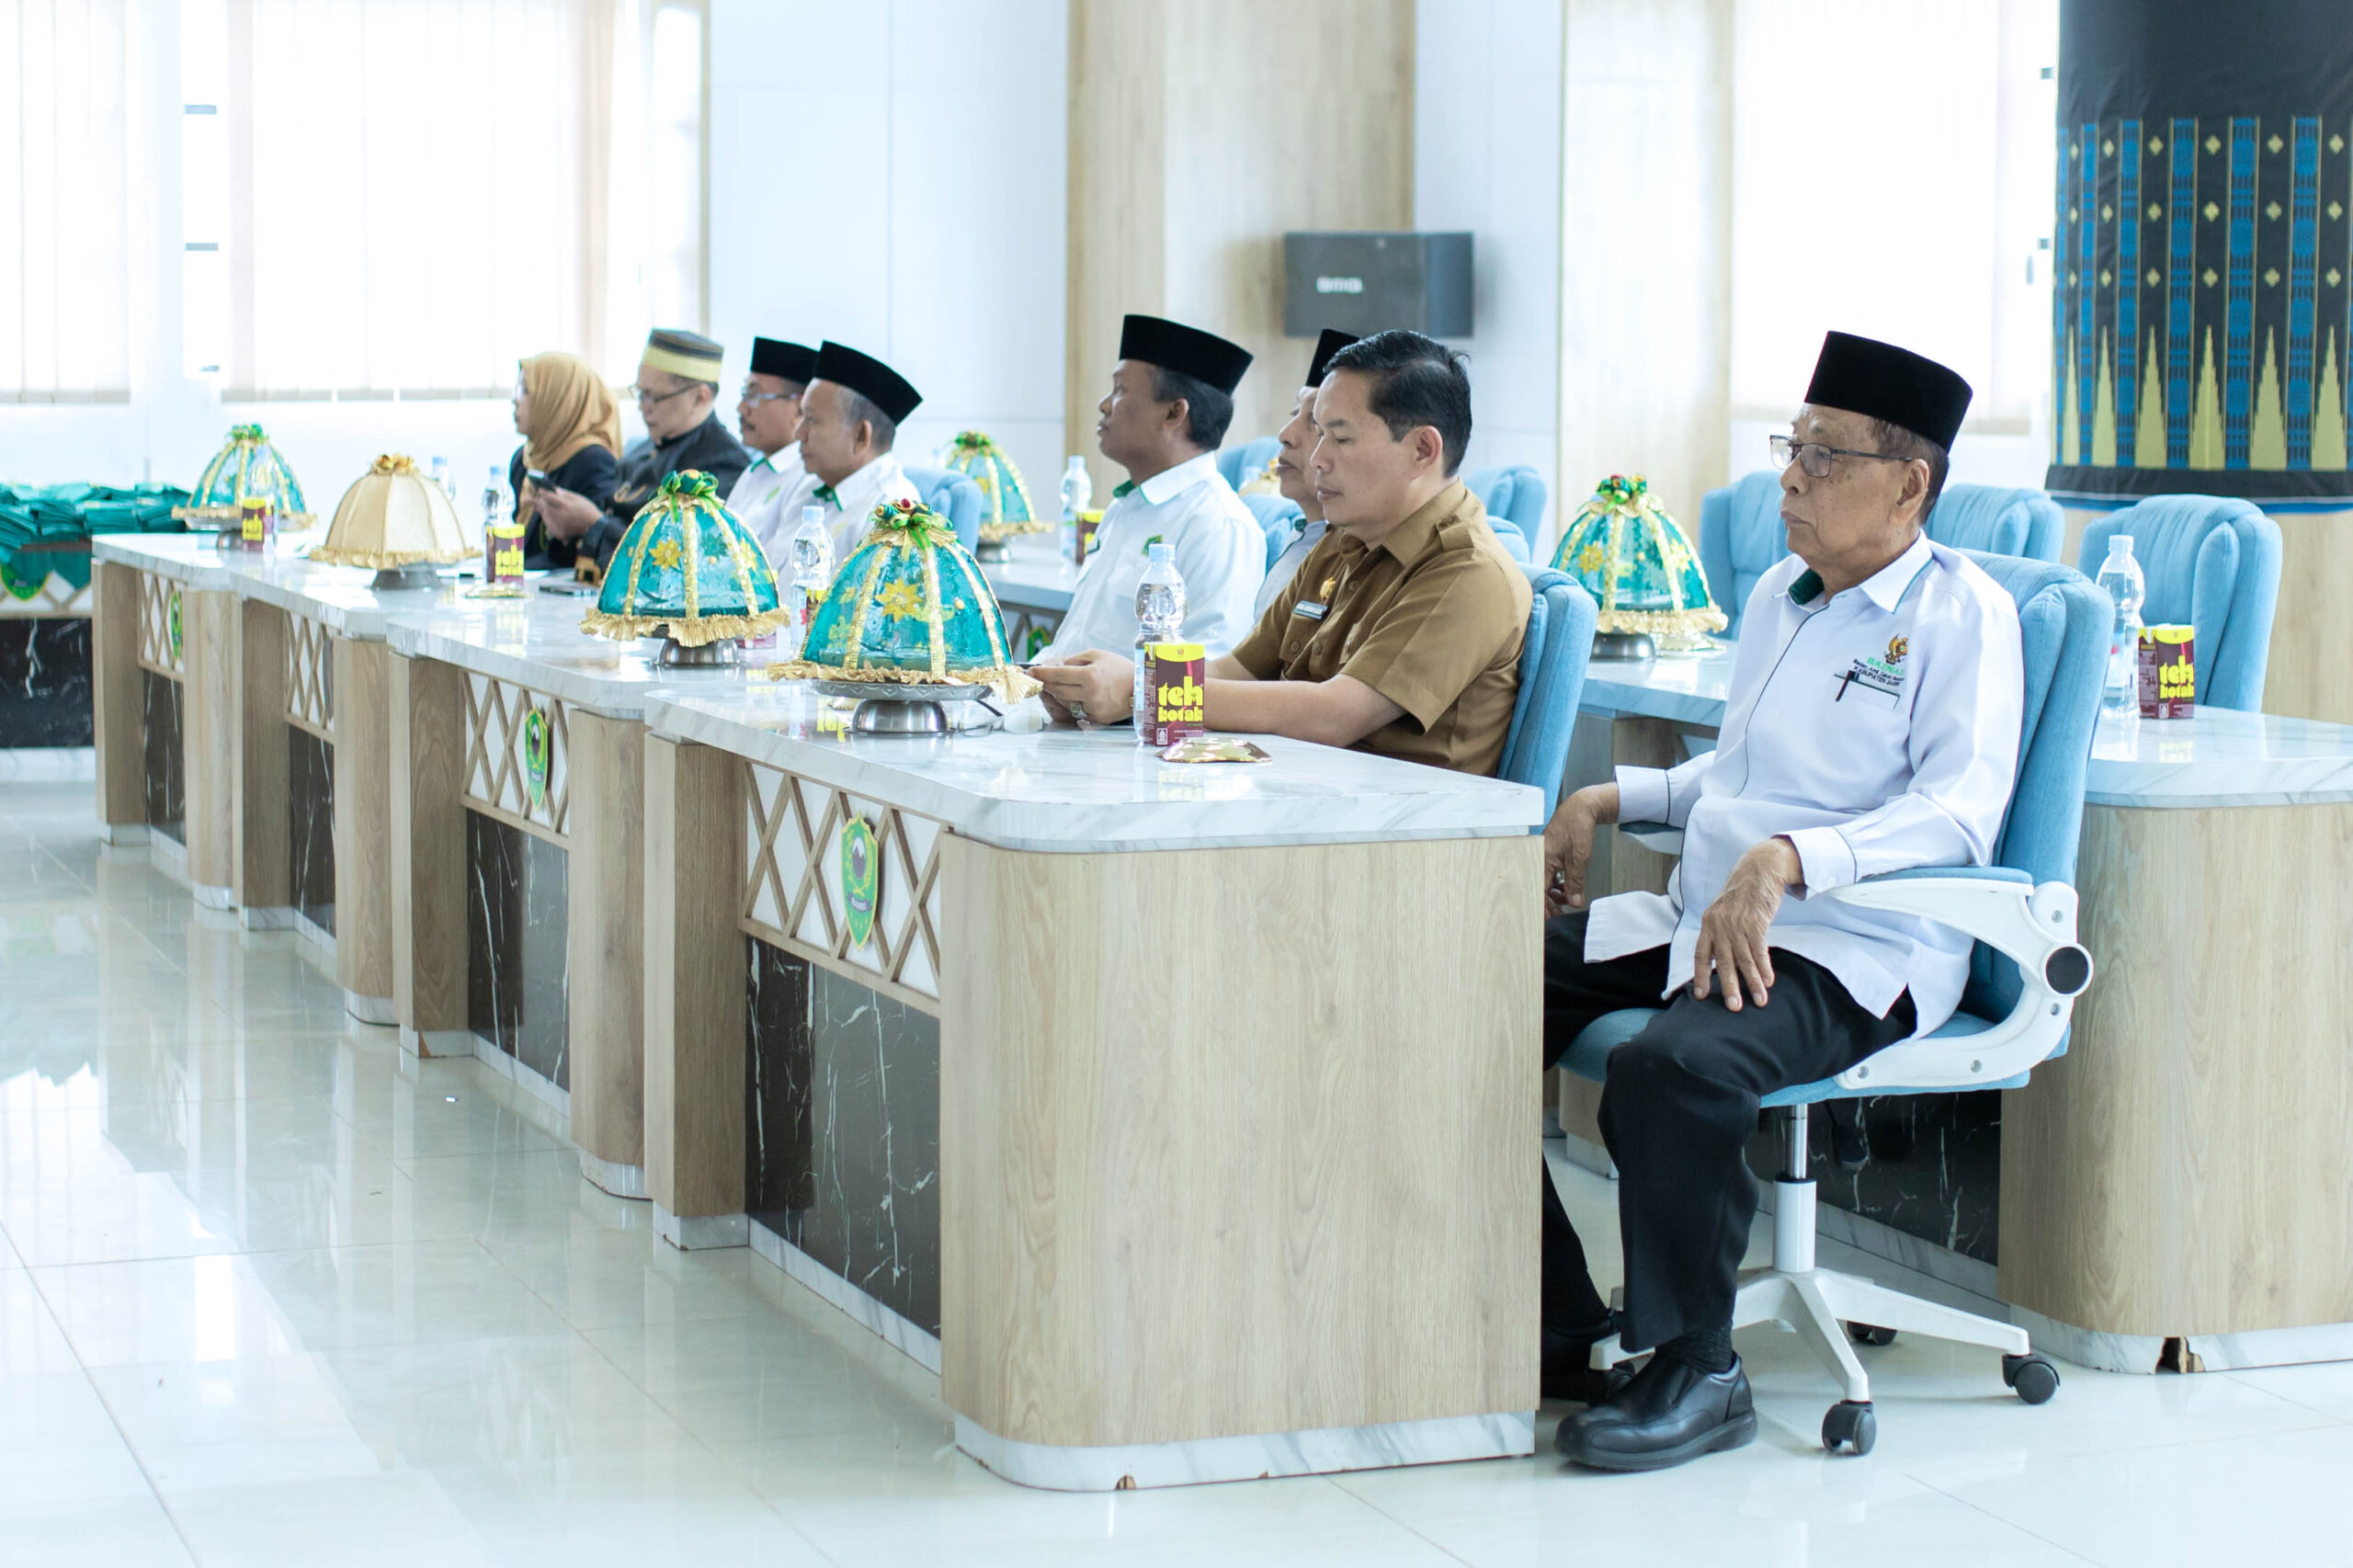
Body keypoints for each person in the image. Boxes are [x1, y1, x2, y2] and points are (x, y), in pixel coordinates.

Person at [1543, 332, 2023, 1472]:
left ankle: (1700, 1367)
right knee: (1465, 989)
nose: (1790, 478)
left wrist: (1790, 860)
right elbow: (1741, 775)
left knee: (1673, 1066)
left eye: (1824, 455)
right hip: (1711, 913)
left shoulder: (1961, 615)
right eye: (1790, 447)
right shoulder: (1778, 594)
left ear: (1908, 485)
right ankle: (1558, 1318)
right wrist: (1609, 795)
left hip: (1857, 941)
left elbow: (1956, 811)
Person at [1033, 330, 1529, 776]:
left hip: (1394, 832)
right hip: (1297, 798)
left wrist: (1142, 691)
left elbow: (1337, 713)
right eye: (1320, 433)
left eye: (1340, 438)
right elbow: (1236, 670)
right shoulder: (1342, 541)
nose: (1318, 458)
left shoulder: (1468, 571)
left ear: (1422, 450)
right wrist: (1105, 688)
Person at [1032, 314, 1264, 664]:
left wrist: (1117, 689)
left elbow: (1208, 671)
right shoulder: (1124, 507)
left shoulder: (1218, 525)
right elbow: (1072, 643)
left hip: (1119, 703)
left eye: (1120, 390)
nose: (1104, 404)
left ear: (1174, 413)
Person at [530, 328, 750, 571]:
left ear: (699, 397)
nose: (643, 407)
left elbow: (680, 562)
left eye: (652, 396)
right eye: (640, 394)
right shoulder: (643, 450)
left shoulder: (722, 464)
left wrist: (593, 524)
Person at [777, 339, 923, 558]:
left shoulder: (893, 513)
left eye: (812, 420)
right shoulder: (807, 489)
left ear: (861, 436)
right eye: (802, 416)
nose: (798, 433)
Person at [1253, 327, 1357, 617]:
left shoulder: (1367, 559)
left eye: (1315, 421)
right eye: (1294, 413)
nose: (1285, 434)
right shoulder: (1301, 536)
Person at [506, 352, 622, 572]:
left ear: (556, 399)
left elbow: (599, 554)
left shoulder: (594, 462)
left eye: (526, 391)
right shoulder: (524, 459)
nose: (515, 399)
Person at [728, 336, 817, 551]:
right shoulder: (752, 473)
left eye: (754, 395)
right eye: (744, 394)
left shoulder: (809, 480)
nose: (742, 408)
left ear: (799, 408)